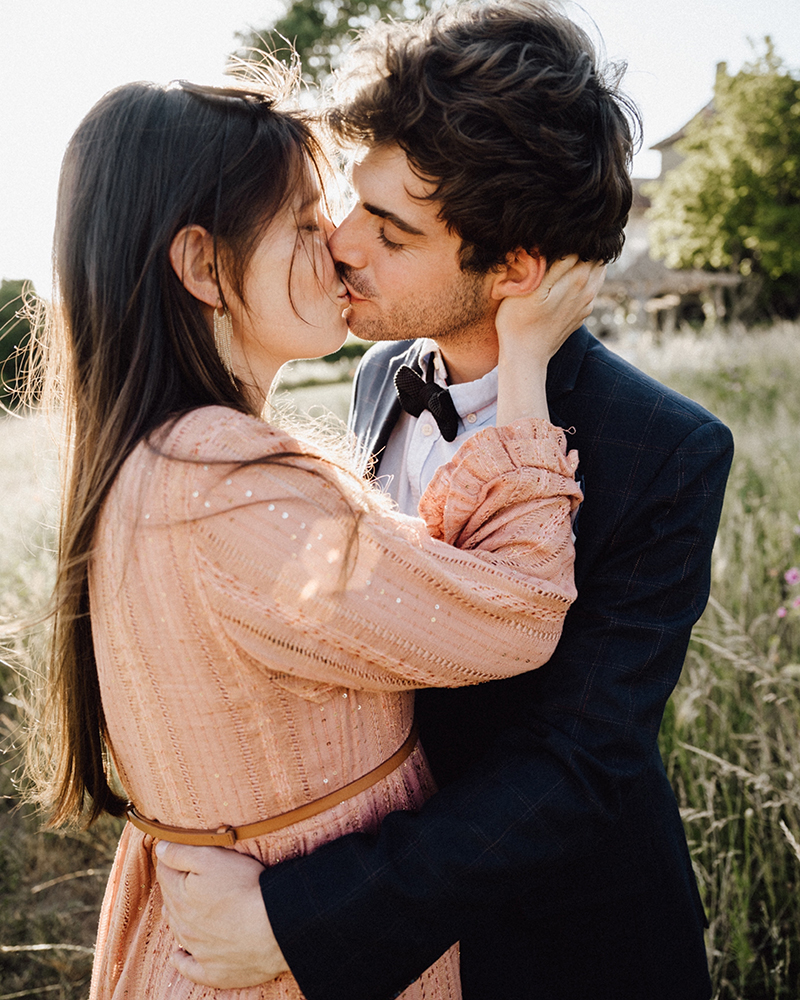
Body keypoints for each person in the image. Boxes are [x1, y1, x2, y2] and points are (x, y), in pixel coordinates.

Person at [155, 3, 734, 1000]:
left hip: (570, 951)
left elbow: (578, 767)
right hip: (410, 949)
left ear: (513, 268)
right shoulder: (379, 375)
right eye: (351, 203)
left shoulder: (668, 451)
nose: (337, 242)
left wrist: (306, 921)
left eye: (388, 230)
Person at [28, 56, 604, 1000]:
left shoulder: (163, 453)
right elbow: (520, 610)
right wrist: (526, 359)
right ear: (204, 267)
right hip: (284, 952)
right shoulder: (227, 483)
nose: (336, 243)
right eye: (304, 222)